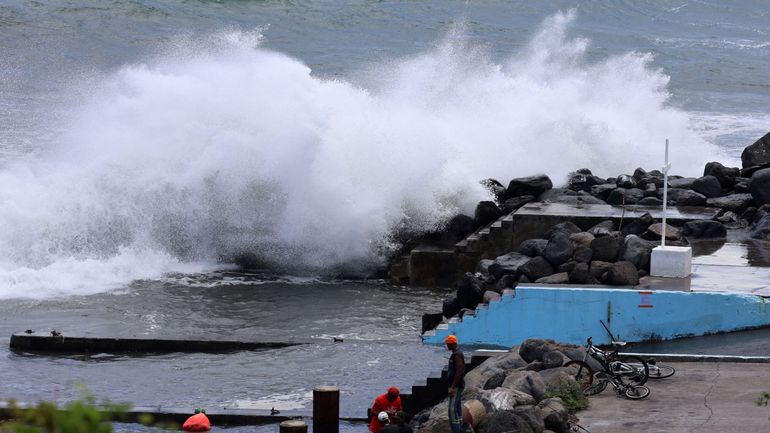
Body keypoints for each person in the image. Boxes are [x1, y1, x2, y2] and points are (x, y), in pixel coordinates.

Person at [445, 335, 473, 433]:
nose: (447, 346)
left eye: (448, 344)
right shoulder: (456, 353)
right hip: (456, 385)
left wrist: (452, 387)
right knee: (457, 406)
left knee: (452, 410)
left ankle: (456, 430)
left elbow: (459, 371)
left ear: (452, 344)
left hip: (456, 386)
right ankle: (461, 428)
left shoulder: (457, 355)